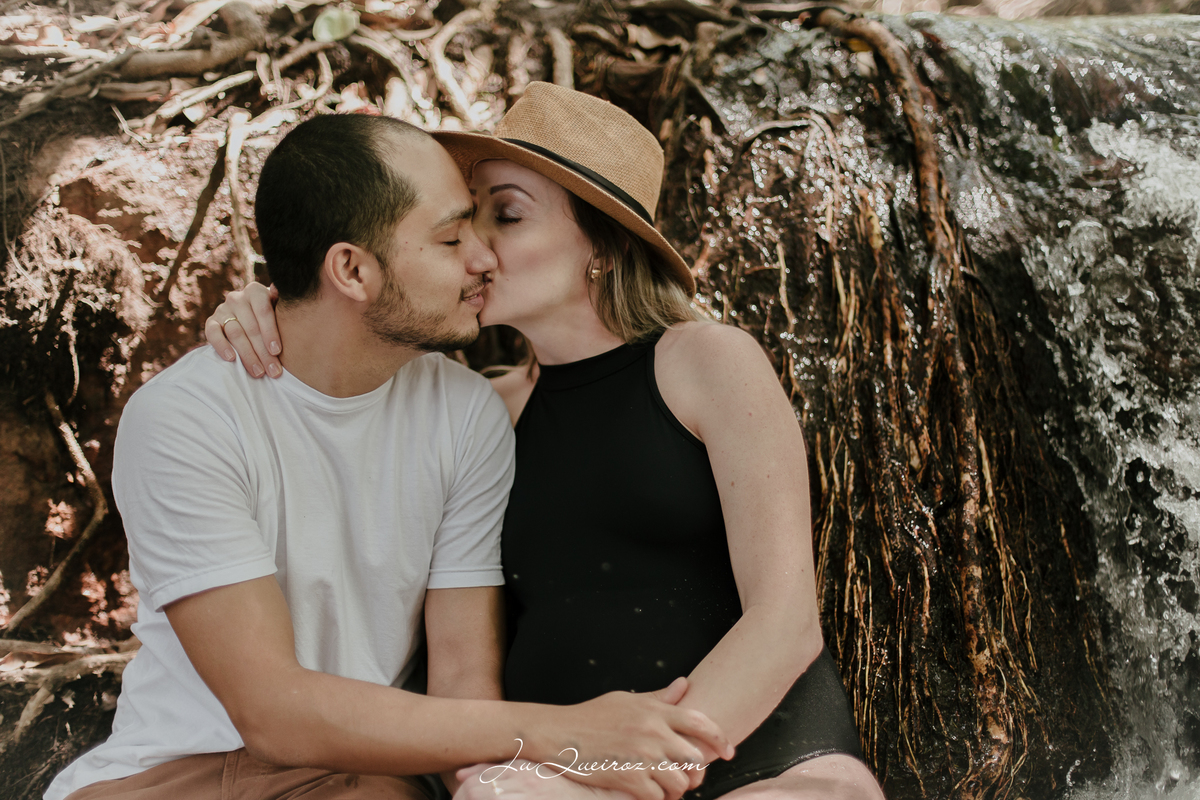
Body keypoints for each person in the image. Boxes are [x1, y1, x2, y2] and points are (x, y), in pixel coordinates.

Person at [206, 84, 886, 800]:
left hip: (767, 760)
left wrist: (641, 770)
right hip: (551, 776)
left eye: (505, 215)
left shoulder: (708, 362)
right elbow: (334, 360)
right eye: (464, 221)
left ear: (606, 243)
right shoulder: (479, 410)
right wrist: (267, 307)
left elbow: (786, 619)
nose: (474, 248)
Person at [45, 112, 732, 800]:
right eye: (451, 237)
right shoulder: (187, 417)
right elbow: (272, 713)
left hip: (366, 775)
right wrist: (561, 732)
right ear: (350, 269)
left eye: (487, 225)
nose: (483, 258)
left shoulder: (468, 415)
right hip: (173, 774)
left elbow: (465, 686)